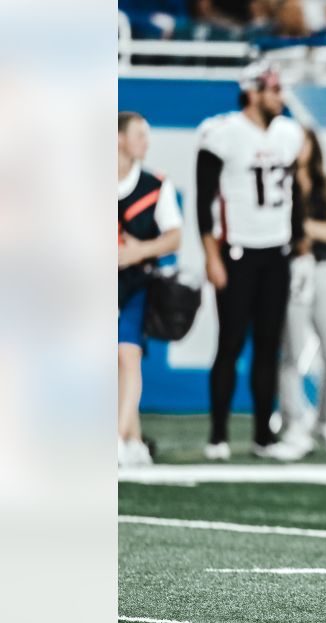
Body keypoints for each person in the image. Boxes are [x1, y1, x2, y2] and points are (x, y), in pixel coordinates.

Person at [197, 62, 307, 461]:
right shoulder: (222, 134)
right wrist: (212, 256)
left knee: (268, 348)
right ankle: (218, 435)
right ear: (254, 92)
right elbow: (202, 200)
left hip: (276, 252)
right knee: (229, 345)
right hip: (237, 251)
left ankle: (264, 435)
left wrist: (298, 247)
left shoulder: (289, 134)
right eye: (275, 90)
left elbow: (296, 194)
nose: (282, 98)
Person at [277, 127, 326, 456]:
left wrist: (303, 226)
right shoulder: (277, 180)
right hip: (291, 266)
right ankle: (293, 419)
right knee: (292, 352)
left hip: (324, 267)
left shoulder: (325, 183)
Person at [118, 111, 182, 467]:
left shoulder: (155, 184)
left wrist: (137, 251)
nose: (147, 141)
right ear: (118, 139)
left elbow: (174, 236)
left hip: (135, 282)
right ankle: (134, 440)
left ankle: (115, 436)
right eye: (140, 134)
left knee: (127, 355)